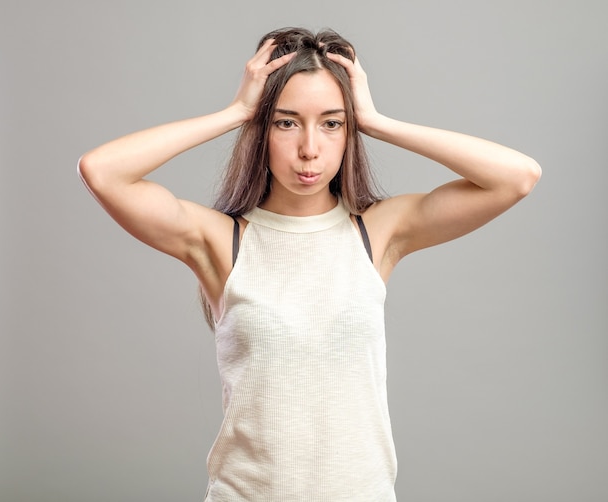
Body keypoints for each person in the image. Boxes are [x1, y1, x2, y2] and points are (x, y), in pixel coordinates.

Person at [78, 27, 541, 502]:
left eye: (331, 124)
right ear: (261, 129)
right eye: (286, 122)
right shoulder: (221, 240)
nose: (309, 149)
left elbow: (517, 177)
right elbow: (102, 171)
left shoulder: (378, 232)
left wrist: (375, 121)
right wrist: (236, 112)